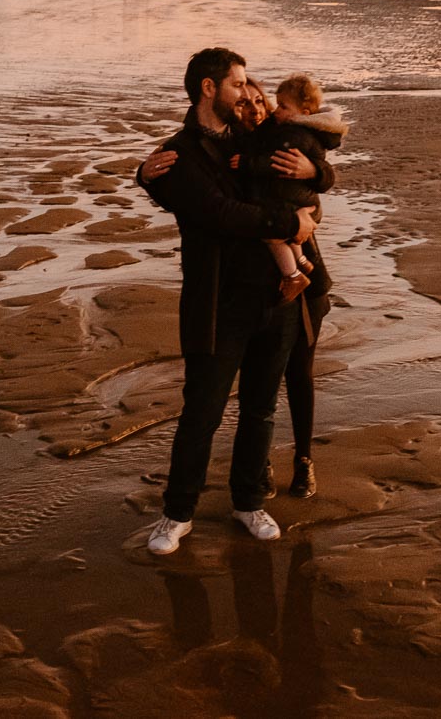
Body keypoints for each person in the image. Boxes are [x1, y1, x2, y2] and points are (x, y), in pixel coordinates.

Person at [135, 48, 320, 555]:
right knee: (203, 412)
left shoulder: (254, 139)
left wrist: (315, 174)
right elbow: (218, 212)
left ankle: (247, 502)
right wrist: (289, 225)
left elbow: (315, 163)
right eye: (238, 85)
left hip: (277, 296)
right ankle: (176, 514)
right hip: (218, 301)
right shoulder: (178, 154)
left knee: (260, 409)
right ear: (209, 89)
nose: (248, 94)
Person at [242, 73, 347, 305]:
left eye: (259, 101)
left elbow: (327, 176)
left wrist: (314, 171)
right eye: (243, 103)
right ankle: (298, 265)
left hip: (298, 223)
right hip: (256, 281)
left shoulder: (283, 132)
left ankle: (297, 270)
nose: (255, 110)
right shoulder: (256, 136)